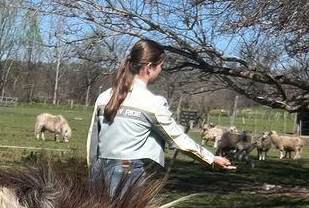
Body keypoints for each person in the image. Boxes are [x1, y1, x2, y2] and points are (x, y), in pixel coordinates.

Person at [86, 38, 234, 194]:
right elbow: (178, 140)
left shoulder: (103, 97)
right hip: (127, 173)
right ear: (150, 67)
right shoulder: (152, 103)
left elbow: (92, 142)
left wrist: (92, 170)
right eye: (161, 66)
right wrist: (211, 159)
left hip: (99, 171)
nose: (161, 70)